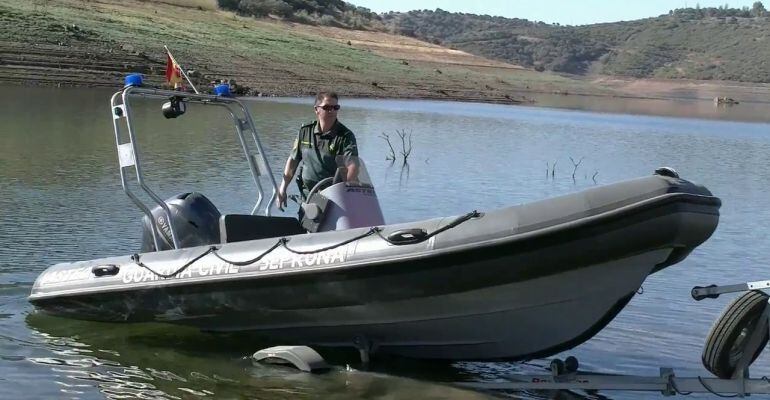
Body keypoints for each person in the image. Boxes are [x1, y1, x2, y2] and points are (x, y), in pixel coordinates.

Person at [276, 92, 359, 211]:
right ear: (316, 109)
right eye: (327, 107)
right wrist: (282, 189)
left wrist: (346, 192)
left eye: (336, 108)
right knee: (305, 225)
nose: (332, 111)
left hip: (333, 198)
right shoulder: (305, 131)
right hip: (307, 196)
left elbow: (353, 167)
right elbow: (293, 161)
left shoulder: (345, 136)